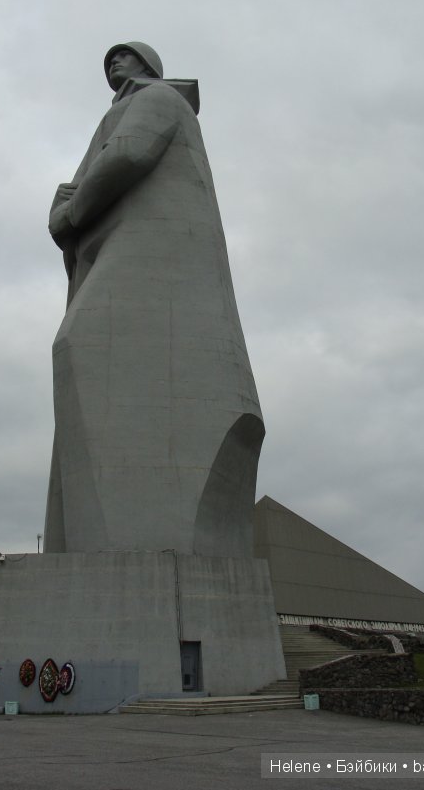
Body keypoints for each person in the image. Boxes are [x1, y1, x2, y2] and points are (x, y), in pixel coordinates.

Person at [44, 42, 264, 557]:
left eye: (124, 57)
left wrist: (70, 213)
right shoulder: (128, 107)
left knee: (82, 342)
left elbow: (128, 153)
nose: (113, 64)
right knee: (80, 349)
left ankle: (128, 541)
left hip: (152, 256)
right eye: (109, 60)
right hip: (128, 249)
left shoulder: (160, 99)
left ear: (147, 66)